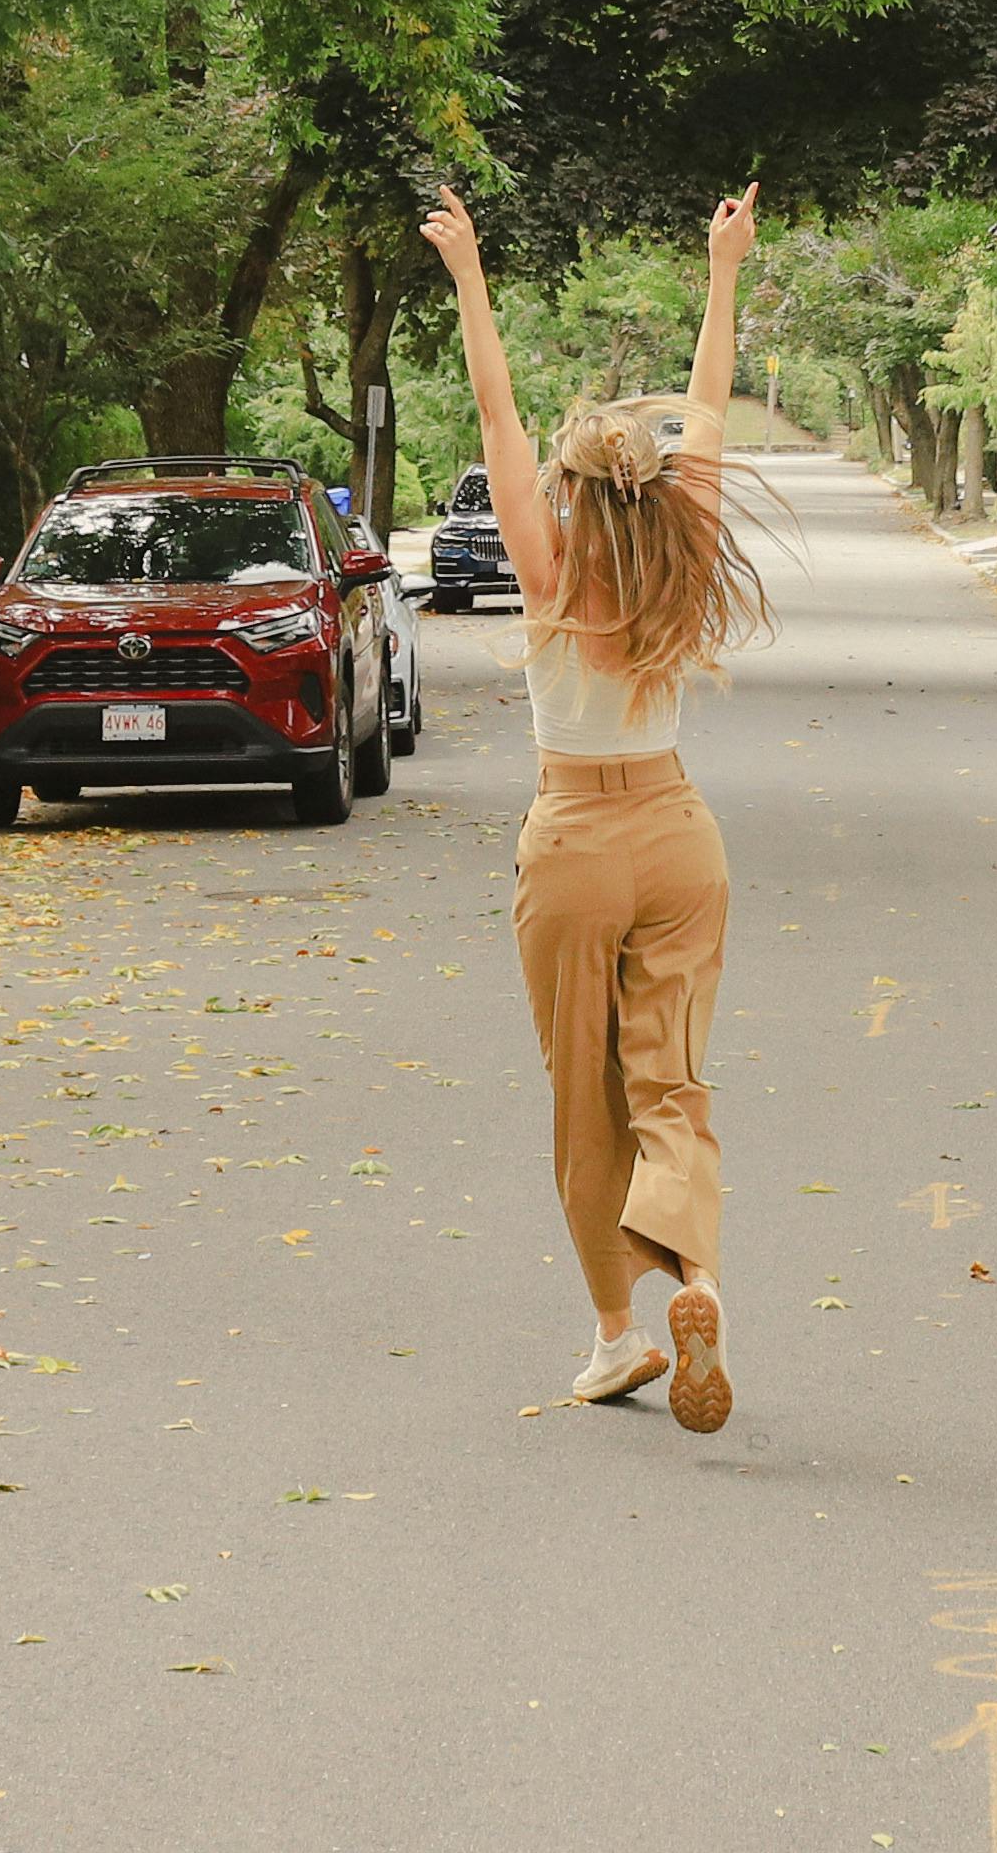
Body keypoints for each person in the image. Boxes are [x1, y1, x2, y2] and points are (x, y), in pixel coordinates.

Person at [424, 179, 774, 1433]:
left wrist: (469, 274)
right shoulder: (681, 556)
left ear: (571, 491)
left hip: (571, 840)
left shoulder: (547, 565)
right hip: (680, 836)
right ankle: (704, 1284)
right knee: (671, 1086)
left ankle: (622, 1331)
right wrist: (723, 266)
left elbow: (495, 408)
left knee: (587, 1101)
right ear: (653, 485)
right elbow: (714, 403)